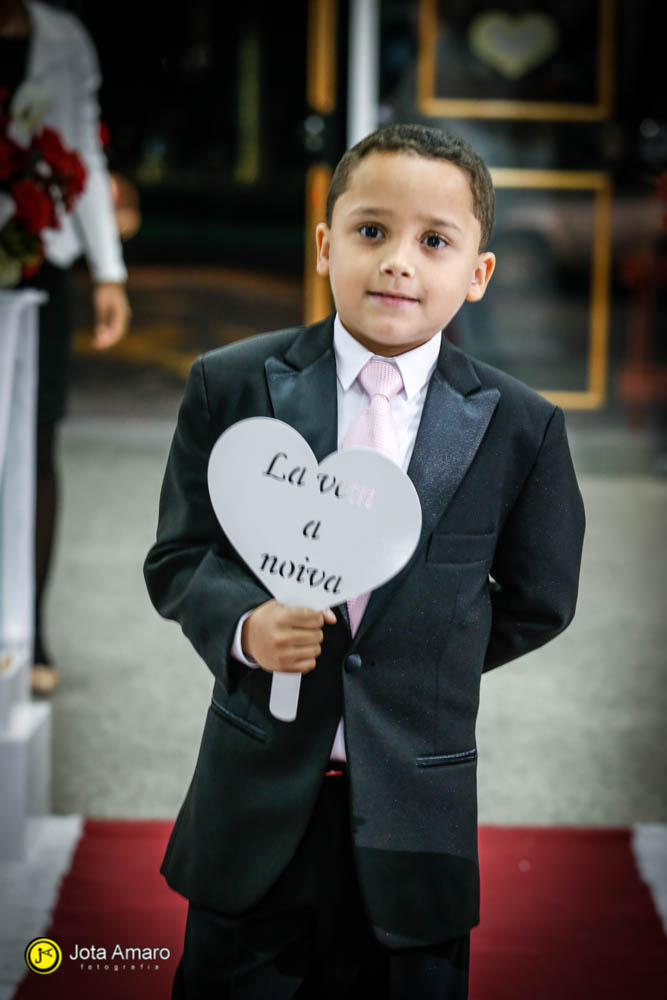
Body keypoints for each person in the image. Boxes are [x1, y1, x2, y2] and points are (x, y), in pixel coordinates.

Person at [144, 123, 585, 998]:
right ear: (324, 245)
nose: (396, 262)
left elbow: (540, 596)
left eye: (433, 242)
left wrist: (424, 655)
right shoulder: (232, 384)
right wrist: (244, 625)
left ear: (478, 273)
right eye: (371, 230)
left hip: (413, 812)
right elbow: (181, 554)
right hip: (254, 801)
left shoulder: (521, 426)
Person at [0, 0, 131, 694]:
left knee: (35, 440)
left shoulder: (61, 35)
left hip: (35, 256)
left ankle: (27, 630)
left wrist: (107, 270)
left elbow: (81, 147)